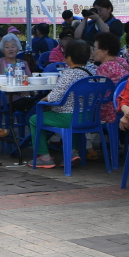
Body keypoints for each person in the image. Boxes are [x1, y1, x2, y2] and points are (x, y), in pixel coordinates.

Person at [25, 40, 93, 170]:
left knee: (34, 119)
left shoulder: (68, 74)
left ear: (69, 58)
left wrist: (43, 100)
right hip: (87, 117)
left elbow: (54, 97)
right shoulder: (90, 72)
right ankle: (72, 152)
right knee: (72, 115)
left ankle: (44, 157)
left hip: (68, 118)